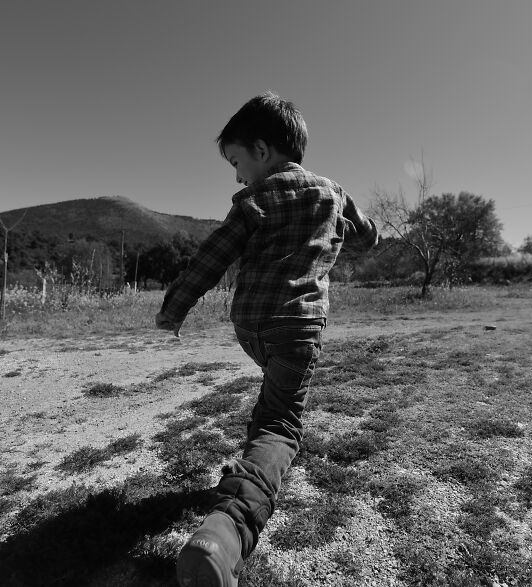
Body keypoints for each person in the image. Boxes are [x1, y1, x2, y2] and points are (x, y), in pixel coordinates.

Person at [155, 91, 378, 587]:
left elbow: (211, 258)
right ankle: (229, 529)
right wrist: (352, 228)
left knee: (272, 401)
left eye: (237, 163)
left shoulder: (252, 201)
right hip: (297, 327)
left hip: (252, 328)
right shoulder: (333, 192)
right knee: (280, 422)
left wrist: (173, 309)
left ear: (261, 150)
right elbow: (367, 236)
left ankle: (253, 456)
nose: (238, 176)